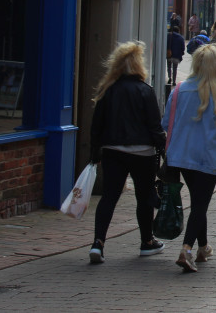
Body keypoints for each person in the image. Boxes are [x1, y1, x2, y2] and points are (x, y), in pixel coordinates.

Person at [162, 44, 216, 273]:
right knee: (199, 204)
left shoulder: (179, 90)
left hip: (181, 157)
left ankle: (203, 247)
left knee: (199, 202)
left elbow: (166, 123)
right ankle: (186, 250)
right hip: (208, 157)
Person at [88, 41, 167, 264]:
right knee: (144, 197)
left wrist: (95, 151)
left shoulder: (108, 90)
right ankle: (146, 241)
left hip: (113, 150)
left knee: (109, 197)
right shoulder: (145, 91)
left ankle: (98, 243)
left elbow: (97, 125)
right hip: (142, 152)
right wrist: (162, 149)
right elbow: (154, 126)